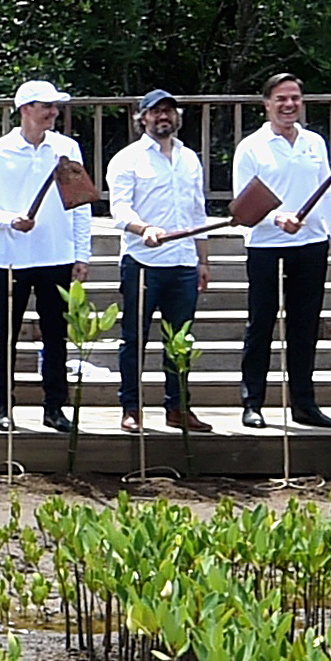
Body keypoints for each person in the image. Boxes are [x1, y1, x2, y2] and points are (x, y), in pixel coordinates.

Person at [232, 73, 331, 430]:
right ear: (267, 104)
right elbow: (243, 206)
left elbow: (327, 191)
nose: (288, 105)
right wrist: (277, 219)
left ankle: (303, 402)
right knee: (261, 325)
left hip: (310, 245)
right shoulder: (251, 147)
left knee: (305, 326)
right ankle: (253, 402)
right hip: (267, 246)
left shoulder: (314, 142)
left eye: (295, 98)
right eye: (281, 99)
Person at [0, 80, 89, 432]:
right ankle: (3, 407)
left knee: (56, 334)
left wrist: (81, 253)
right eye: (46, 106)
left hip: (56, 254)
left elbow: (80, 204)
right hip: (10, 257)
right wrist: (10, 220)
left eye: (55, 106)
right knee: (5, 333)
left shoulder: (66, 149)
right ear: (25, 109)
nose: (53, 112)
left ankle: (55, 407)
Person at [108, 88, 212, 432]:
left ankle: (179, 407)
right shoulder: (127, 159)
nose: (162, 117)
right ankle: (131, 408)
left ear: (177, 117)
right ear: (142, 118)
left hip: (183, 263)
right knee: (134, 339)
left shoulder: (189, 158)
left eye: (168, 111)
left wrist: (203, 260)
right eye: (155, 112)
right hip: (142, 261)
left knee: (180, 340)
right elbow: (119, 209)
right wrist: (144, 228)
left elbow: (198, 211)